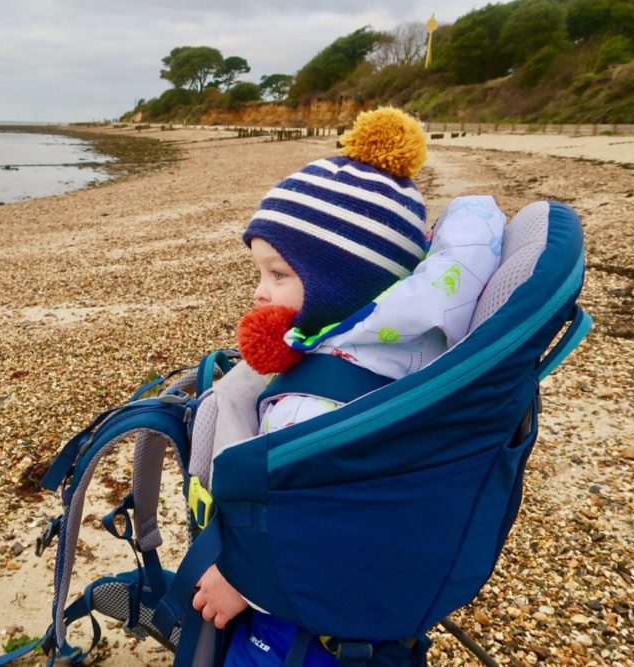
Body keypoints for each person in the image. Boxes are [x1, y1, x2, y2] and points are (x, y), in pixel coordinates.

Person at [189, 107, 506, 666]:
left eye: (279, 274)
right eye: (260, 273)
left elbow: (307, 524)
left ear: (347, 282)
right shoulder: (410, 344)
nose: (261, 293)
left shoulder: (312, 407)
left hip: (294, 628)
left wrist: (240, 581)